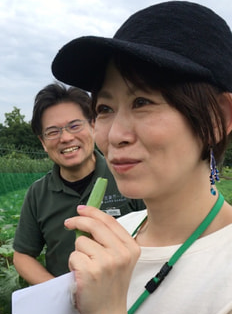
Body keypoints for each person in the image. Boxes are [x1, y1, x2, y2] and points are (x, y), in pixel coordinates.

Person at [0, 2, 232, 314]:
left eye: (142, 101)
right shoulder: (124, 230)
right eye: (104, 108)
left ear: (217, 118)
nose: (114, 134)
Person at [12, 82, 144, 284]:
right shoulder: (38, 193)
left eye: (74, 126)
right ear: (43, 142)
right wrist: (60, 293)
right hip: (67, 308)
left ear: (93, 125)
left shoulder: (127, 176)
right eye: (53, 132)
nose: (65, 138)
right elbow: (22, 255)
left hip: (128, 297)